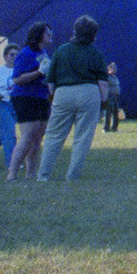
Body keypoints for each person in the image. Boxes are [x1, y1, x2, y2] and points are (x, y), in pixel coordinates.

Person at [36, 16, 110, 181]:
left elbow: (51, 80)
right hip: (89, 92)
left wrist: (54, 97)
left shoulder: (61, 50)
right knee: (83, 137)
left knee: (54, 135)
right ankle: (72, 175)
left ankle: (43, 175)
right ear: (93, 34)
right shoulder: (96, 53)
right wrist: (103, 101)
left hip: (63, 92)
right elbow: (103, 83)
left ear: (75, 31)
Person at [4, 24, 54, 183]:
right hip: (25, 98)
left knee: (38, 137)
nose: (51, 34)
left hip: (41, 97)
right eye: (47, 33)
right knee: (28, 136)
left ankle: (31, 174)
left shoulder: (43, 53)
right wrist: (39, 72)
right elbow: (17, 79)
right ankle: (11, 174)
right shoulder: (25, 53)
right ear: (39, 35)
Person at [101, 64, 124, 133]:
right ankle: (106, 128)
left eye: (115, 68)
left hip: (115, 96)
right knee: (108, 112)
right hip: (109, 96)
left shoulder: (114, 77)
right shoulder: (107, 77)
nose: (115, 69)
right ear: (109, 69)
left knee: (115, 112)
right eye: (113, 68)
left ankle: (114, 128)